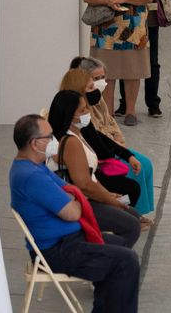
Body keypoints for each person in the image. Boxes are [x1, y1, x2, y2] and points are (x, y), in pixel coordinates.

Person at [10, 114, 140, 312]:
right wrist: (74, 200)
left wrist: (74, 199)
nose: (55, 140)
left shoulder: (34, 166)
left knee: (122, 248)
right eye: (50, 136)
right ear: (35, 143)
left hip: (69, 240)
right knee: (125, 261)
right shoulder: (31, 176)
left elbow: (72, 191)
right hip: (56, 250)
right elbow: (72, 212)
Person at [47, 90, 142, 248]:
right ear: (70, 116)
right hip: (79, 203)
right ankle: (110, 258)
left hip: (86, 198)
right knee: (131, 226)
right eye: (82, 110)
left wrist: (108, 194)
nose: (88, 112)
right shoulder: (70, 142)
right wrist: (111, 200)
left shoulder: (78, 135)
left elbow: (90, 177)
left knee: (133, 215)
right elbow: (84, 185)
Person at [60, 68, 155, 224]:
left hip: (105, 155)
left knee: (144, 164)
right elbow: (99, 147)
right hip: (98, 165)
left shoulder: (86, 110)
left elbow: (104, 133)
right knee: (132, 185)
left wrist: (127, 154)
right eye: (91, 85)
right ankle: (124, 216)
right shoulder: (76, 120)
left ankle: (131, 214)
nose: (97, 87)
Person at [83, 0, 154, 127]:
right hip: (105, 31)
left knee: (133, 72)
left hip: (134, 31)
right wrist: (108, 2)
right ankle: (109, 113)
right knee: (107, 74)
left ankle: (131, 111)